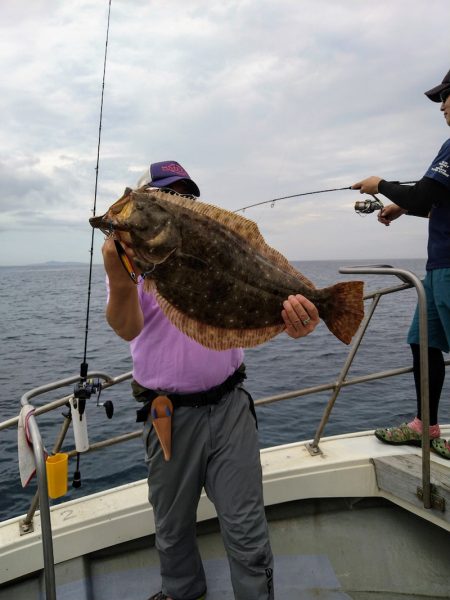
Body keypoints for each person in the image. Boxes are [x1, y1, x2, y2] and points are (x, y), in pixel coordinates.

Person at [101, 160, 320, 600]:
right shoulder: (135, 266)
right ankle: (182, 592)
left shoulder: (214, 251)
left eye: (184, 197)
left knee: (246, 526)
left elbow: (256, 291)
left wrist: (302, 317)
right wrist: (117, 276)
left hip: (230, 408)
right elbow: (127, 329)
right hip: (167, 416)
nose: (175, 203)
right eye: (162, 196)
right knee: (172, 524)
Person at [352, 68, 450, 460]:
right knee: (421, 343)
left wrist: (381, 185)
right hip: (438, 268)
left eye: (446, 96)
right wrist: (400, 208)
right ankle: (424, 426)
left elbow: (425, 191)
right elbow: (433, 202)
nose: (442, 105)